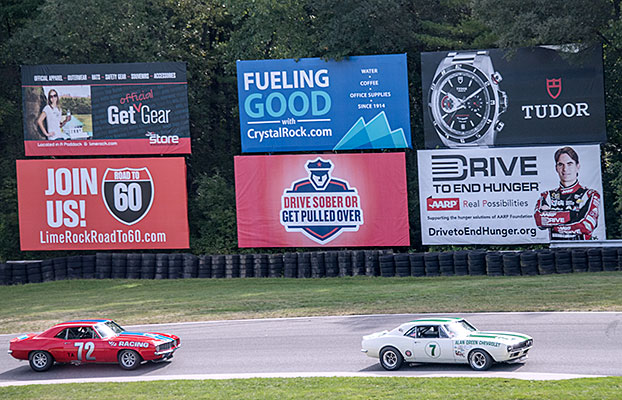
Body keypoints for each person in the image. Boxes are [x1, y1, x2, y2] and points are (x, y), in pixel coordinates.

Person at [534, 146, 601, 240]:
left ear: (577, 166)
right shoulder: (547, 196)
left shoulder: (590, 194)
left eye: (570, 164)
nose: (565, 169)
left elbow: (587, 226)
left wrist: (555, 222)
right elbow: (540, 221)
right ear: (556, 168)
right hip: (556, 250)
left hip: (583, 250)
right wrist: (574, 215)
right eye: (561, 164)